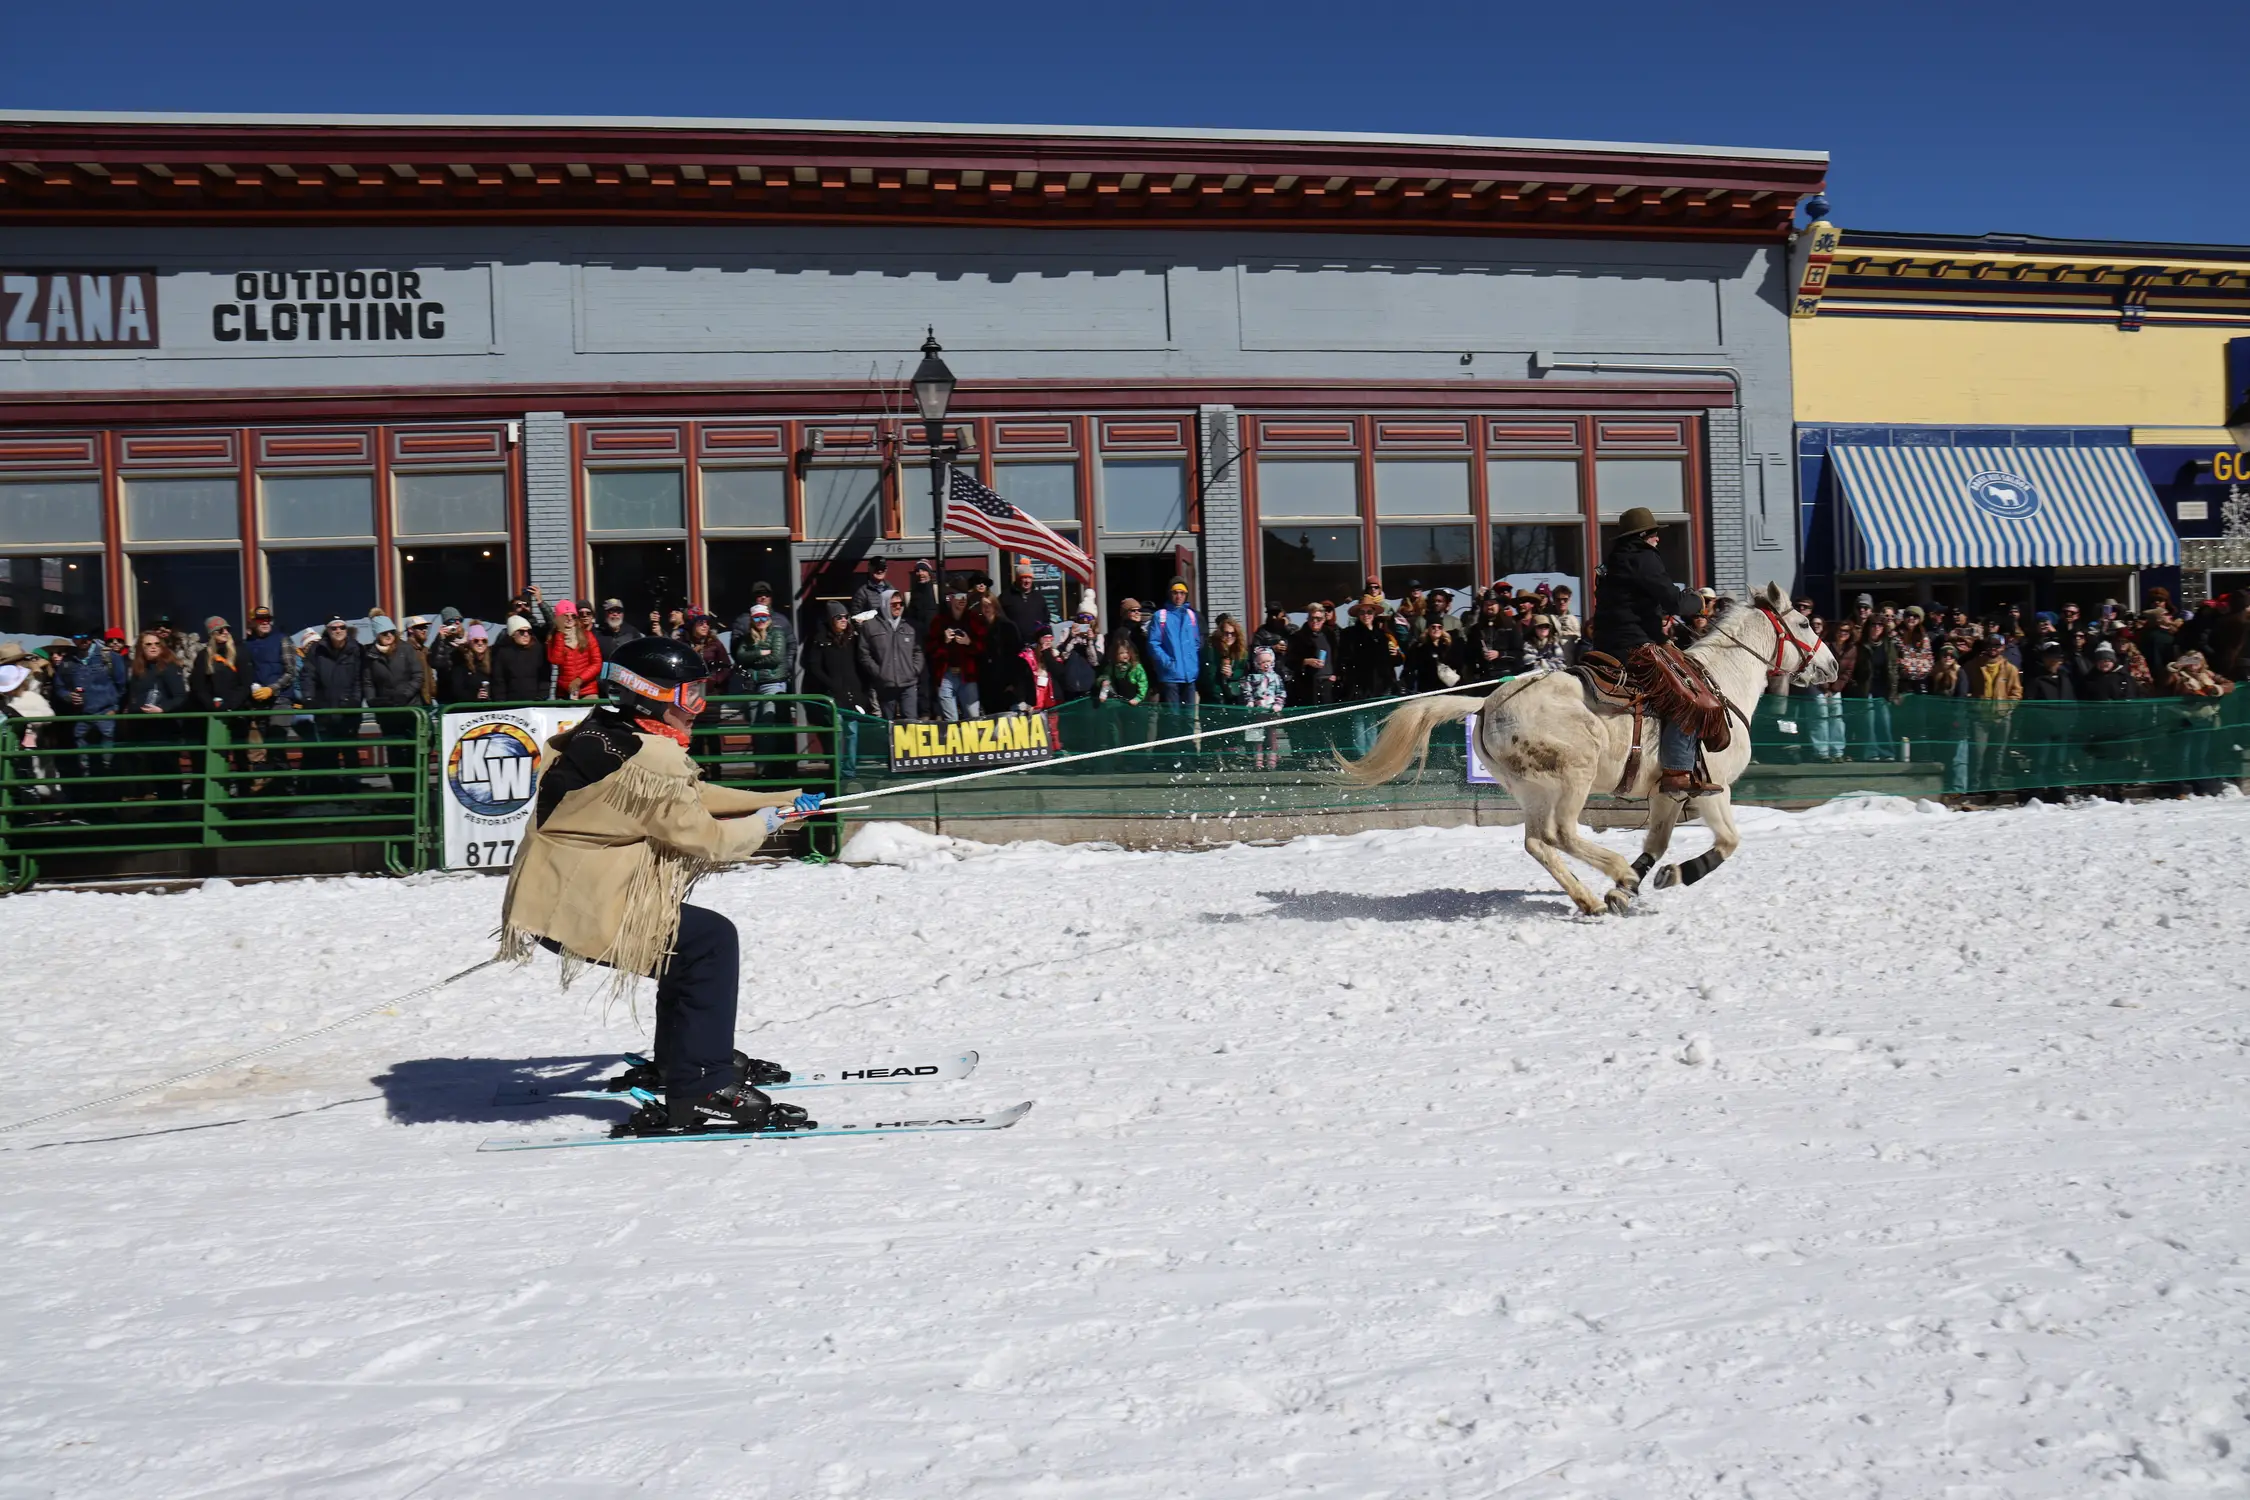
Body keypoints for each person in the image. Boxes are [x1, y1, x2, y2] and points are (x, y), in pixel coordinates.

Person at [497, 635, 820, 1137]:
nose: (699, 707)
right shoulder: (651, 761)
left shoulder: (609, 732)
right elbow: (710, 840)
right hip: (580, 907)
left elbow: (689, 796)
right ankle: (701, 1085)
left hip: (552, 899)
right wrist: (770, 822)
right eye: (690, 695)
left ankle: (687, 1059)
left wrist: (778, 800)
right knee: (710, 942)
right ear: (652, 695)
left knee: (688, 950)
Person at [1587, 506, 1710, 797]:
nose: (1658, 538)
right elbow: (1674, 602)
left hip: (1605, 644)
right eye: (1654, 533)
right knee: (1688, 695)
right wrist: (1696, 600)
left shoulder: (1613, 562)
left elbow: (1630, 601)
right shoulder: (1644, 557)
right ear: (1643, 535)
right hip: (1635, 646)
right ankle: (1678, 770)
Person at [798, 602, 870, 773]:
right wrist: (831, 684)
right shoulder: (820, 640)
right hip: (833, 693)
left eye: (846, 617)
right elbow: (814, 667)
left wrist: (862, 688)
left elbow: (861, 662)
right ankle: (836, 769)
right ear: (831, 619)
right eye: (839, 617)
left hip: (852, 692)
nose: (844, 620)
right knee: (836, 732)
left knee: (852, 731)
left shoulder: (853, 638)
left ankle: (849, 770)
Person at [363, 615, 428, 795]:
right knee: (394, 753)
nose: (389, 635)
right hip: (387, 711)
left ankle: (416, 793)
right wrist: (372, 701)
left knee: (413, 752)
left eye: (391, 632)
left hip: (410, 709)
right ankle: (400, 793)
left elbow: (418, 676)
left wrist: (405, 695)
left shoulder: (405, 649)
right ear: (377, 634)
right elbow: (368, 682)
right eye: (384, 633)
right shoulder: (371, 655)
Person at [123, 629, 190, 800]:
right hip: (144, 727)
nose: (153, 647)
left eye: (156, 644)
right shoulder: (139, 670)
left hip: (165, 728)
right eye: (148, 644)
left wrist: (162, 709)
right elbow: (133, 696)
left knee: (168, 769)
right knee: (154, 770)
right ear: (141, 648)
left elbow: (181, 696)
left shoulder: (169, 667)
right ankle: (162, 807)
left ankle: (173, 808)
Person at [856, 587, 926, 720]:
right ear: (884, 604)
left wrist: (915, 670)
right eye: (894, 604)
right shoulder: (870, 626)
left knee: (911, 723)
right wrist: (879, 672)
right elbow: (864, 653)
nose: (898, 607)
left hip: (908, 683)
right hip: (885, 685)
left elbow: (918, 650)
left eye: (900, 604)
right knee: (889, 723)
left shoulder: (909, 626)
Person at [926, 588, 985, 722]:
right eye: (959, 596)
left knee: (973, 717)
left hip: (968, 675)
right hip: (946, 676)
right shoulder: (939, 621)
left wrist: (969, 642)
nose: (962, 599)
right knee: (951, 720)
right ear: (951, 598)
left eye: (965, 596)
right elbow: (930, 649)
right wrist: (944, 640)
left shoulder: (973, 619)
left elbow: (983, 647)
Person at [1144, 579, 1202, 707]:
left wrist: (1193, 662)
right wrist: (1167, 662)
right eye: (1175, 592)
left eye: (1182, 593)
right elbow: (1153, 644)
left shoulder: (1191, 615)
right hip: (1170, 676)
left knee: (1189, 715)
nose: (1179, 596)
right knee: (1173, 715)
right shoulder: (1161, 616)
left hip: (1189, 675)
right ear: (1170, 594)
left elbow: (1196, 642)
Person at [978, 596, 1032, 715]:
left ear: (995, 606)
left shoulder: (1007, 626)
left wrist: (1014, 683)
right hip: (987, 682)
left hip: (1006, 680)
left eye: (989, 605)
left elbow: (1016, 656)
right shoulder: (980, 627)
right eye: (983, 605)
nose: (986, 608)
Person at [545, 600, 605, 701]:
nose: (570, 619)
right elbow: (555, 660)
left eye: (573, 616)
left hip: (587, 690)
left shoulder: (587, 635)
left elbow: (597, 663)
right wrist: (560, 634)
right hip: (564, 692)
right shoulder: (554, 637)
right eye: (565, 616)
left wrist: (579, 680)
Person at [1243, 644, 1287, 770]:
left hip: (1271, 711)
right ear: (1257, 663)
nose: (1266, 665)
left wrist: (1278, 704)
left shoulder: (1276, 677)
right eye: (1262, 662)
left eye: (1268, 661)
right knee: (1257, 737)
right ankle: (1258, 760)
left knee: (1272, 736)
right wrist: (1250, 701)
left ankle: (1272, 760)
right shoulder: (1252, 677)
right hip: (1257, 712)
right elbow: (1247, 691)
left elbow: (1281, 692)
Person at [1284, 603, 1336, 707]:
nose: (1315, 621)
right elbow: (1289, 661)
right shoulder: (1298, 637)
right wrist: (1306, 661)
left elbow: (1337, 657)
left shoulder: (1330, 635)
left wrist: (1336, 674)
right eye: (1312, 618)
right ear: (1307, 619)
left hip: (1329, 683)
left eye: (1318, 619)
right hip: (1308, 684)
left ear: (1324, 619)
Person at [1464, 594, 1520, 684]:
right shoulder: (1476, 629)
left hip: (1507, 675)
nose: (1489, 607)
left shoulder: (1510, 625)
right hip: (1485, 677)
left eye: (1492, 604)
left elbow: (1519, 652)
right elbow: (1470, 655)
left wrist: (1499, 654)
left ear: (1498, 606)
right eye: (1486, 604)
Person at [1200, 614, 1251, 706]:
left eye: (1233, 633)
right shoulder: (1211, 648)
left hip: (1232, 694)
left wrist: (1232, 674)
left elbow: (1242, 670)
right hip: (1214, 697)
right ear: (1220, 633)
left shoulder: (1240, 650)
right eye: (1226, 633)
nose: (1229, 636)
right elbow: (1209, 675)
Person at [998, 562, 1052, 645]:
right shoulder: (1006, 596)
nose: (1027, 581)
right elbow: (998, 619)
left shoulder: (1039, 598)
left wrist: (1046, 637)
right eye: (1024, 577)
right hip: (1012, 644)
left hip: (1035, 644)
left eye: (1029, 577)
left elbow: (1046, 620)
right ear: (1017, 579)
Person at [1055, 609, 1102, 703]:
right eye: (1082, 617)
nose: (1085, 620)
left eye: (1088, 617)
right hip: (1069, 685)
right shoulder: (1067, 632)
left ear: (1093, 619)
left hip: (1088, 686)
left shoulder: (1098, 637)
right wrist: (1071, 637)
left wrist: (1090, 641)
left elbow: (1095, 662)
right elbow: (1062, 656)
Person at [446, 624, 499, 701]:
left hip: (490, 706)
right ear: (470, 642)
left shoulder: (492, 661)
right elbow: (457, 690)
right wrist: (474, 696)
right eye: (476, 640)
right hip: (469, 707)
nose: (480, 643)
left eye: (484, 641)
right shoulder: (461, 662)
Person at [1095, 636, 1148, 706]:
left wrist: (1138, 698)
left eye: (1127, 652)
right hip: (1120, 701)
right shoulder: (1112, 666)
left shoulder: (1136, 667)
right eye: (1121, 653)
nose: (1125, 655)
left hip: (1134, 701)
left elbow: (1143, 683)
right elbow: (1105, 676)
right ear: (1115, 654)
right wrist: (1103, 682)